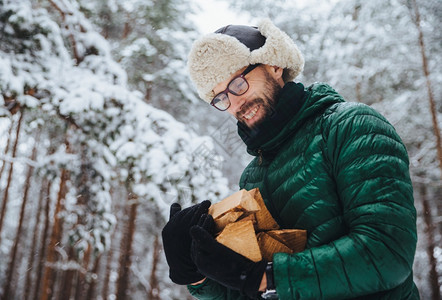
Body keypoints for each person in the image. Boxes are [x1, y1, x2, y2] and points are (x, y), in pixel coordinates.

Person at [162, 19, 419, 299]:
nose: (234, 104)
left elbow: (387, 254)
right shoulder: (253, 176)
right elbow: (253, 290)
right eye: (220, 98)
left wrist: (265, 276)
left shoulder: (350, 126)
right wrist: (198, 275)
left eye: (237, 83)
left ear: (274, 65)